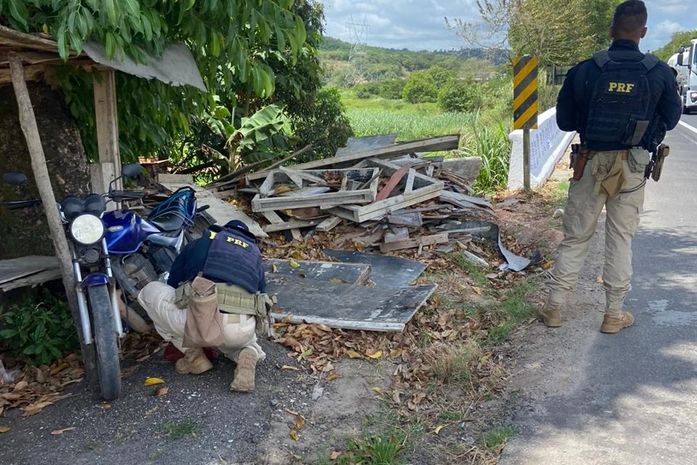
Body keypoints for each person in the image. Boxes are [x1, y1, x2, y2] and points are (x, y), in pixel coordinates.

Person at [540, 0, 682, 334]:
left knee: (576, 237)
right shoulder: (659, 72)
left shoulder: (585, 70)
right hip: (632, 166)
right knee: (620, 238)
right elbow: (673, 119)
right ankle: (613, 314)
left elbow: (564, 121)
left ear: (610, 31)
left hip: (589, 162)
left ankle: (555, 308)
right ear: (643, 32)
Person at [137, 220, 268, 392]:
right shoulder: (254, 255)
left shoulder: (202, 242)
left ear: (223, 230)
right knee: (236, 337)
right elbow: (261, 292)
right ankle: (249, 353)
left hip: (201, 320)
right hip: (240, 328)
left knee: (150, 291)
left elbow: (173, 283)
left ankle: (194, 357)